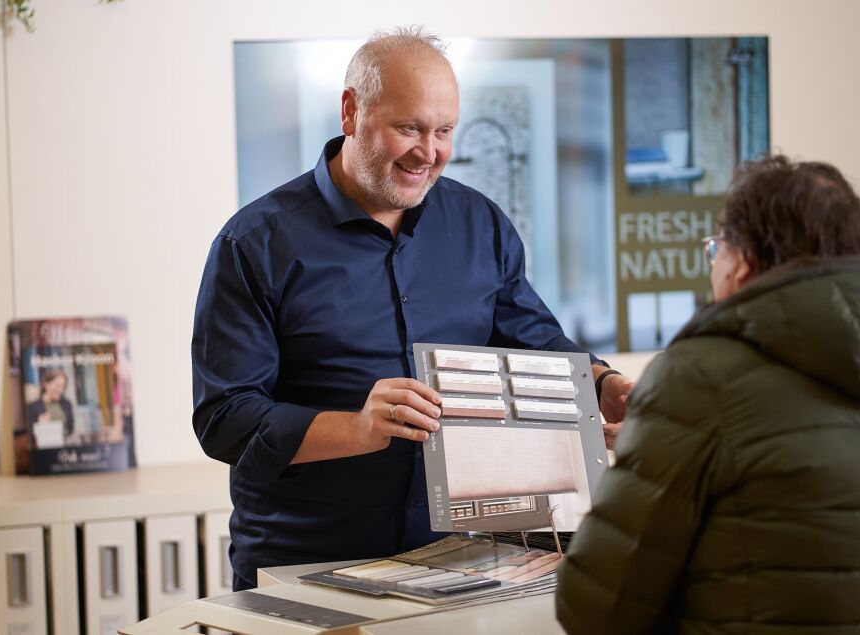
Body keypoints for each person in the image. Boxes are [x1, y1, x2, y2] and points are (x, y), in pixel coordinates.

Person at [191, 26, 634, 590]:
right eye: (409, 128)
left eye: (444, 130)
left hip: (467, 561)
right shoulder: (254, 242)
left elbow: (534, 341)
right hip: (308, 563)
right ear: (350, 112)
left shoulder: (481, 224)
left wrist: (599, 381)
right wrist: (356, 428)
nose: (429, 152)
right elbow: (223, 418)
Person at [556, 155, 860, 633]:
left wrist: (655, 455)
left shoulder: (700, 375)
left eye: (715, 250)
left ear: (744, 262)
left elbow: (595, 607)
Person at [26, 368, 74, 443]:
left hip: (65, 448)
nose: (60, 390)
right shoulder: (33, 406)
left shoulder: (67, 403)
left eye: (63, 386)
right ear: (46, 384)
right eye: (57, 385)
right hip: (45, 450)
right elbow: (30, 434)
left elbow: (70, 429)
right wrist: (40, 425)